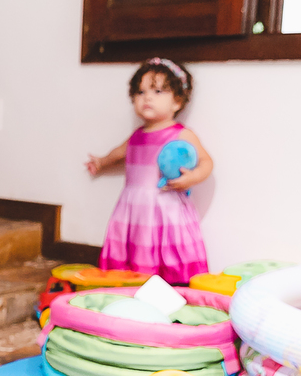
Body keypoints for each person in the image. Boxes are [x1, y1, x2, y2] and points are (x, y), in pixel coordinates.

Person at [86, 58, 212, 285]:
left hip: (165, 207)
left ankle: (173, 286)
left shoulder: (180, 134)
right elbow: (118, 153)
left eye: (158, 91)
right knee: (137, 245)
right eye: (141, 92)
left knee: (165, 248)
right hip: (133, 208)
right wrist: (102, 162)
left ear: (177, 101)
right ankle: (133, 285)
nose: (147, 97)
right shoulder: (137, 136)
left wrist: (192, 177)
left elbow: (206, 162)